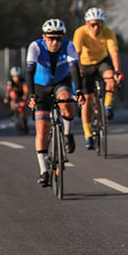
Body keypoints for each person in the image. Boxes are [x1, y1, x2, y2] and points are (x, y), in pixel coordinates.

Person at [26, 19, 84, 187]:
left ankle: (67, 134)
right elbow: (29, 71)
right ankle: (44, 171)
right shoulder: (35, 47)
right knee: (42, 129)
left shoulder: (69, 46)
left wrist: (79, 90)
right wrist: (30, 95)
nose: (54, 42)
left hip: (60, 82)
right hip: (40, 86)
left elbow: (74, 69)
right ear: (44, 37)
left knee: (66, 102)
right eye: (51, 38)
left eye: (58, 38)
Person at [72, 7, 124, 150]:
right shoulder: (80, 32)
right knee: (87, 101)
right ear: (87, 23)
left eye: (99, 24)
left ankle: (107, 106)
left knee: (111, 79)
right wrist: (79, 71)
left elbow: (113, 53)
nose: (96, 27)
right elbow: (76, 54)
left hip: (102, 62)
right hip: (85, 64)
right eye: (93, 24)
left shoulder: (108, 32)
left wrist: (117, 70)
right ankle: (88, 134)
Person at [3, 66, 29, 133]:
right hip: (15, 96)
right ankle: (13, 113)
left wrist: (24, 97)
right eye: (14, 76)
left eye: (17, 76)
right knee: (13, 95)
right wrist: (6, 98)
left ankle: (25, 123)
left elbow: (25, 90)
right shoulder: (10, 82)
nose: (15, 78)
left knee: (23, 107)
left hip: (22, 96)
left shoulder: (23, 81)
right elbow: (8, 90)